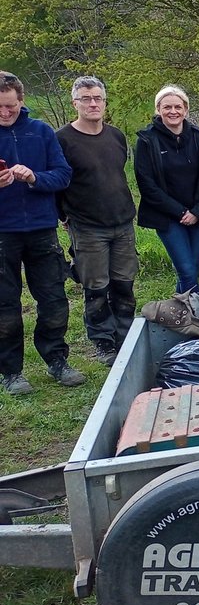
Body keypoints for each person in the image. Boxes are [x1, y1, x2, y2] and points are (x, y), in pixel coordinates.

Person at [0, 71, 85, 394]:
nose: (5, 112)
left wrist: (34, 178)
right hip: (3, 233)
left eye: (10, 106)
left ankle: (57, 360)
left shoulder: (41, 131)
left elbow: (63, 175)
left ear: (21, 100)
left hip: (41, 229)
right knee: (5, 306)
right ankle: (11, 372)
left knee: (53, 300)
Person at [56, 75, 138, 365]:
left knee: (124, 284)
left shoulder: (116, 136)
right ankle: (103, 342)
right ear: (74, 103)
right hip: (87, 227)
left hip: (122, 222)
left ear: (104, 101)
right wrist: (63, 216)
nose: (93, 104)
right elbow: (57, 182)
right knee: (96, 288)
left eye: (98, 98)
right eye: (86, 99)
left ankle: (126, 338)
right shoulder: (62, 139)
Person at [134, 85, 199, 295]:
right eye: (167, 107)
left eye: (178, 107)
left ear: (185, 110)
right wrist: (180, 212)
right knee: (187, 270)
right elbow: (146, 184)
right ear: (158, 109)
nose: (173, 111)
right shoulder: (147, 140)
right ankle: (198, 311)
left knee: (190, 269)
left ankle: (180, 310)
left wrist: (197, 212)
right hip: (168, 217)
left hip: (198, 215)